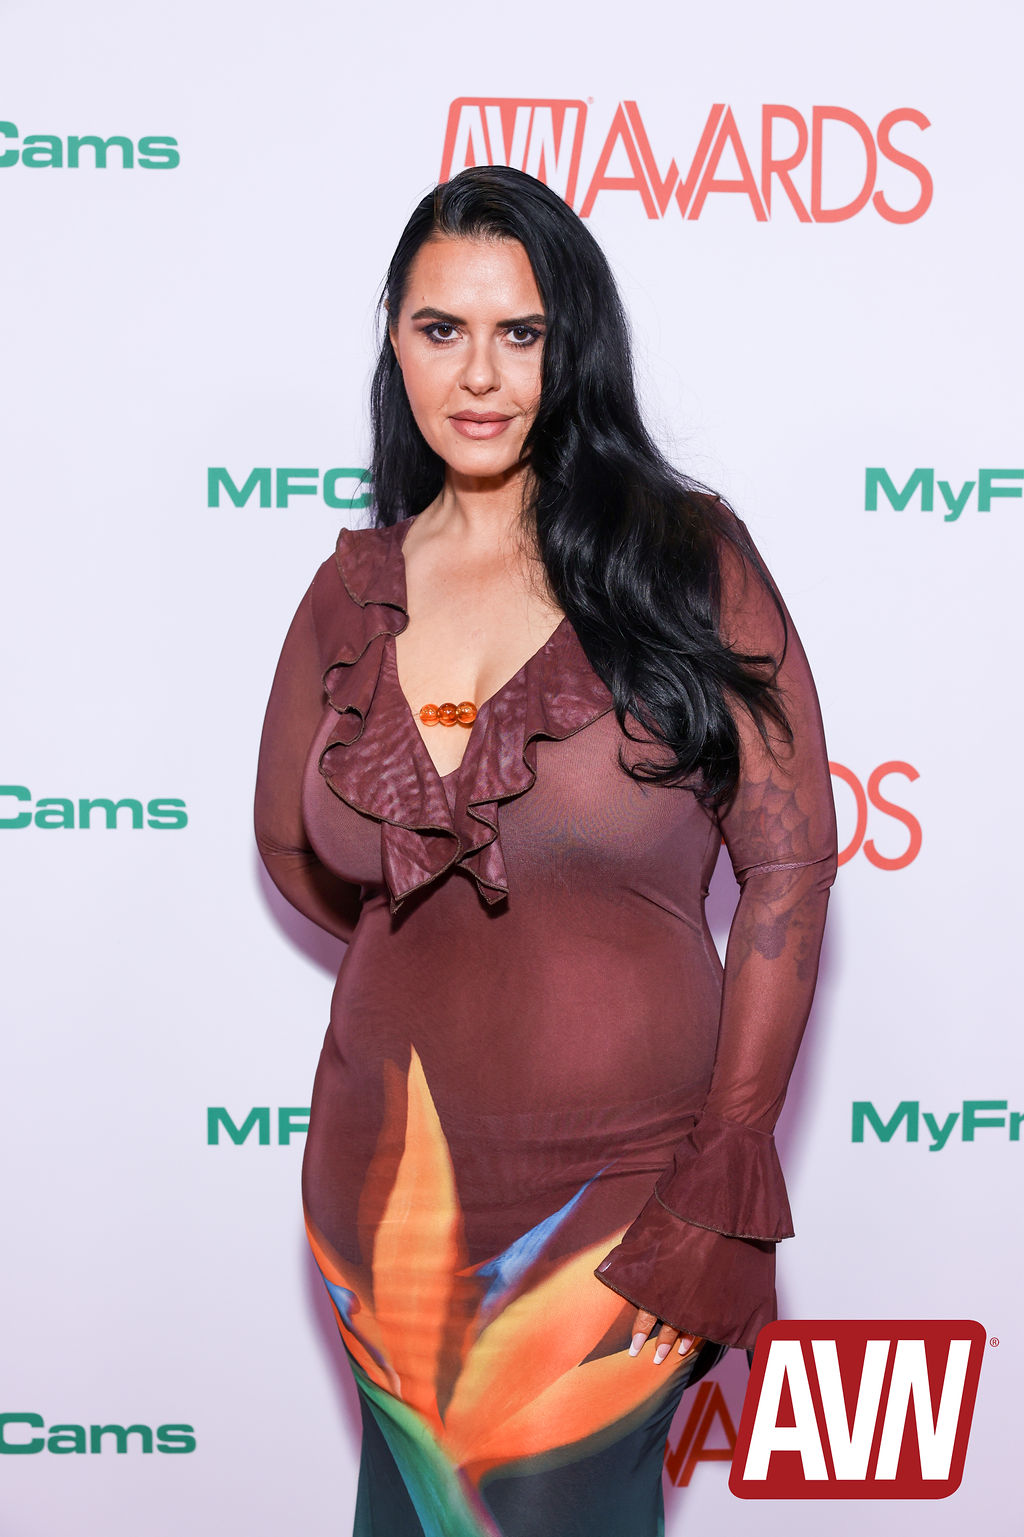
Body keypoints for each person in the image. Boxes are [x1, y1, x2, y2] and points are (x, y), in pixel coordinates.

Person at [254, 165, 838, 1537]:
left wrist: (724, 1168)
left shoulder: (682, 557)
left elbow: (790, 868)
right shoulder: (353, 591)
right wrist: (448, 946)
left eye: (520, 333)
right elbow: (296, 848)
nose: (479, 374)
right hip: (384, 1190)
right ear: (395, 343)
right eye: (441, 329)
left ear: (571, 346)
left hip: (624, 1195)